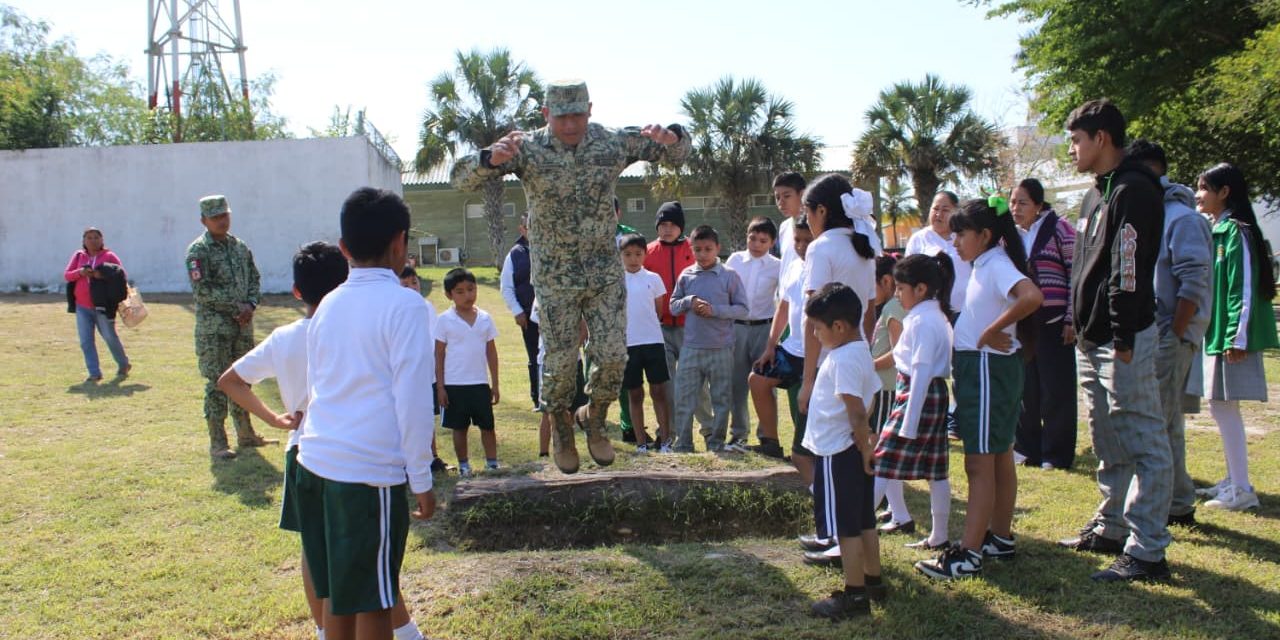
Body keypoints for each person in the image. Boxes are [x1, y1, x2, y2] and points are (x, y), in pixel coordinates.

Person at [452, 80, 690, 474]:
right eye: (562, 116)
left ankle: (595, 418)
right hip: (555, 278)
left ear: (590, 110)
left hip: (603, 273)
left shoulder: (611, 143)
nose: (570, 123)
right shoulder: (525, 148)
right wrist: (488, 159)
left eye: (578, 114)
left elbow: (678, 156)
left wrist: (674, 136)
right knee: (560, 364)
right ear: (546, 114)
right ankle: (562, 425)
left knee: (614, 356)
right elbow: (461, 179)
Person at [295, 187, 436, 640]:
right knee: (375, 601)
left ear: (343, 248)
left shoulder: (329, 304)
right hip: (367, 476)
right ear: (400, 243)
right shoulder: (407, 304)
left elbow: (319, 386)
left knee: (340, 593)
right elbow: (413, 401)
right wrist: (422, 478)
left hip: (313, 466)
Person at [1055, 99, 1172, 583]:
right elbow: (1086, 265)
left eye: (1077, 140)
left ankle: (1147, 550)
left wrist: (1123, 335)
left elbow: (1128, 266)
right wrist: (1080, 326)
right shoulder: (1094, 196)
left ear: (1102, 138)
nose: (1072, 150)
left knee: (1143, 437)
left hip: (1123, 338)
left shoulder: (1133, 192)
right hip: (1091, 338)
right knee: (1108, 438)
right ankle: (1111, 525)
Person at [916, 197, 1042, 581]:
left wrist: (990, 331)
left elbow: (1032, 296)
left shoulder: (996, 264)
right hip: (983, 369)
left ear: (985, 235)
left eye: (961, 234)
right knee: (1000, 455)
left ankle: (968, 554)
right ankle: (999, 537)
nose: (954, 241)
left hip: (987, 369)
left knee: (979, 461)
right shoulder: (985, 264)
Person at [1128, 140, 1213, 524]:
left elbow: (1194, 282)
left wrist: (1174, 335)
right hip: (1156, 334)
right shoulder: (1154, 216)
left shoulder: (1181, 219)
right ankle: (1178, 501)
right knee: (1166, 421)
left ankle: (1159, 509)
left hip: (1169, 337)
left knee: (1155, 425)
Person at [1195, 162, 1278, 511]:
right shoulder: (1220, 229)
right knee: (1219, 405)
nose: (1198, 195)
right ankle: (1233, 479)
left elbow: (1241, 289)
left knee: (1225, 407)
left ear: (1224, 192)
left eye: (1203, 188)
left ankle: (1242, 489)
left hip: (1230, 338)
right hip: (1217, 333)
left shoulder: (1236, 232)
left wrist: (1236, 337)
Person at [801, 283, 885, 620]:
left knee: (846, 527)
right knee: (864, 519)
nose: (816, 336)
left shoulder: (845, 358)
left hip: (840, 451)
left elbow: (856, 411)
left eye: (818, 329)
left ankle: (854, 596)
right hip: (850, 448)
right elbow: (873, 395)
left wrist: (864, 445)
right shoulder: (858, 350)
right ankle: (873, 580)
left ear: (838, 326)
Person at [796, 174, 879, 488]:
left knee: (811, 451)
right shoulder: (866, 244)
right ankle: (845, 516)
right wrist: (863, 351)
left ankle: (828, 520)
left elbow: (811, 316)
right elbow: (869, 310)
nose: (807, 221)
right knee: (851, 441)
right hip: (857, 353)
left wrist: (807, 380)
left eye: (808, 213)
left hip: (827, 362)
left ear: (821, 211)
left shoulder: (822, 248)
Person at [873, 254, 955, 549]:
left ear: (920, 289)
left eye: (900, 288)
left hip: (917, 395)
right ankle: (939, 535)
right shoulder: (932, 316)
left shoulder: (923, 321)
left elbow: (919, 370)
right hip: (927, 394)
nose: (896, 294)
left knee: (881, 459)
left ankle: (852, 531)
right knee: (935, 470)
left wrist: (909, 421)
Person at [185, 195, 274, 460]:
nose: (222, 221)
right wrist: (238, 308)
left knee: (243, 380)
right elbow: (202, 291)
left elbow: (254, 278)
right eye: (215, 218)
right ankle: (218, 442)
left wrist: (252, 304)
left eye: (224, 215)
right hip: (215, 332)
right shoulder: (198, 252)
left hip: (242, 328)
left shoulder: (239, 247)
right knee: (217, 384)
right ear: (204, 221)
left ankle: (246, 434)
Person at [1009, 178, 1078, 470]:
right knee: (1026, 389)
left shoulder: (1060, 229)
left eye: (1022, 202)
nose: (1015, 208)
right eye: (1012, 202)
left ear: (1038, 205)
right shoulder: (1008, 235)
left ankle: (1056, 453)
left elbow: (1076, 271)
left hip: (1053, 320)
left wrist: (1072, 317)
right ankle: (1028, 449)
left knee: (1056, 389)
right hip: (1024, 323)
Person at [669, 225, 749, 452]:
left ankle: (716, 443)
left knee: (721, 399)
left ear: (718, 249)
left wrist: (715, 310)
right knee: (684, 398)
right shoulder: (686, 276)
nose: (702, 254)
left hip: (721, 348)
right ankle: (683, 443)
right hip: (691, 348)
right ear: (691, 249)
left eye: (708, 249)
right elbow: (673, 307)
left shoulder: (729, 276)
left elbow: (743, 309)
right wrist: (689, 301)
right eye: (697, 250)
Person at [646, 201, 715, 441]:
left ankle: (709, 431)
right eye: (662, 224)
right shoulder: (648, 252)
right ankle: (668, 433)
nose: (667, 229)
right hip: (660, 329)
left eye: (672, 224)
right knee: (666, 384)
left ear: (681, 227)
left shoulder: (693, 249)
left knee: (697, 382)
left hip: (691, 327)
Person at [750, 219, 815, 461]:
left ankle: (811, 455)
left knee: (809, 406)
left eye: (807, 240)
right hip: (792, 348)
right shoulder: (793, 266)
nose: (801, 245)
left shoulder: (824, 266)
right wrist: (770, 346)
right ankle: (771, 444)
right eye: (797, 239)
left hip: (818, 353)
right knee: (757, 379)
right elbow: (784, 308)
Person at [435, 268, 501, 478]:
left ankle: (492, 463)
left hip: (479, 383)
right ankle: (464, 465)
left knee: (487, 426)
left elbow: (491, 351)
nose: (467, 295)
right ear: (449, 295)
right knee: (459, 428)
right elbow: (439, 355)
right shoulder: (444, 320)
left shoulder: (485, 318)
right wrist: (441, 387)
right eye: (460, 291)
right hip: (455, 385)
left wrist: (495, 383)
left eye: (471, 289)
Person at [724, 216, 781, 451]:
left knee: (765, 383)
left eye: (762, 240)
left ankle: (767, 436)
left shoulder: (778, 266)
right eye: (752, 238)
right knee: (736, 383)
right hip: (736, 327)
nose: (756, 244)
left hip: (764, 329)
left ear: (772, 242)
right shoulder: (735, 260)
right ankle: (738, 434)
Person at [620, 233, 672, 450]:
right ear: (621, 255)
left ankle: (666, 440)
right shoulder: (617, 281)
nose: (633, 259)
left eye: (638, 254)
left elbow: (659, 310)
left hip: (653, 341)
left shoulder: (653, 278)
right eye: (628, 254)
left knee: (659, 391)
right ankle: (641, 441)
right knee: (634, 393)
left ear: (645, 254)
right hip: (628, 344)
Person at [401, 266, 450, 475]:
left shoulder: (426, 306)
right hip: (406, 374)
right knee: (407, 419)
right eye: (405, 285)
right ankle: (407, 460)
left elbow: (434, 338)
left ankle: (433, 457)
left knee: (427, 417)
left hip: (427, 371)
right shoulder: (396, 310)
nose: (412, 288)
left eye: (415, 283)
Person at [64, 226, 131, 382]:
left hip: (104, 306)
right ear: (84, 241)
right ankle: (94, 373)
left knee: (109, 337)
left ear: (102, 240)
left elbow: (121, 275)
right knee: (86, 341)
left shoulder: (109, 256)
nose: (93, 241)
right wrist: (80, 272)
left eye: (96, 237)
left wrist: (102, 274)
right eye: (89, 238)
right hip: (82, 305)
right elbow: (67, 275)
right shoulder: (79, 256)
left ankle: (123, 364)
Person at [904, 190, 971, 314]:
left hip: (965, 311)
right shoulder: (918, 239)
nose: (938, 214)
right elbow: (906, 276)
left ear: (956, 212)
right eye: (935, 209)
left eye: (945, 210)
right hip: (929, 312)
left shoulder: (966, 236)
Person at [499, 215, 540, 412]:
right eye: (528, 227)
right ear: (522, 229)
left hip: (555, 316)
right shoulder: (514, 254)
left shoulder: (553, 248)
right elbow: (506, 287)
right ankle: (539, 399)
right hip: (529, 317)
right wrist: (517, 312)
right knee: (535, 357)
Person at [614, 196, 639, 442]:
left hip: (630, 316)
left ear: (619, 212)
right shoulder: (584, 237)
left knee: (628, 374)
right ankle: (594, 422)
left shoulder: (629, 236)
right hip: (598, 313)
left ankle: (629, 425)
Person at [773, 172, 807, 276]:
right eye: (777, 197)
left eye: (786, 196)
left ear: (802, 194)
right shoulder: (784, 226)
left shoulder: (815, 226)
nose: (780, 202)